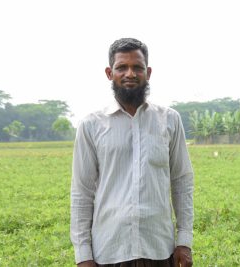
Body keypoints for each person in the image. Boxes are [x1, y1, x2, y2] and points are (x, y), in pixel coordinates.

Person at [70, 38, 194, 267]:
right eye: (121, 67)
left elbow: (182, 181)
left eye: (137, 67)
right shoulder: (91, 125)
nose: (130, 73)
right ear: (109, 73)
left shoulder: (169, 120)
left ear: (148, 72)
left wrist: (184, 241)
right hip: (109, 250)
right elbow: (82, 192)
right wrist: (83, 255)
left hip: (159, 249)